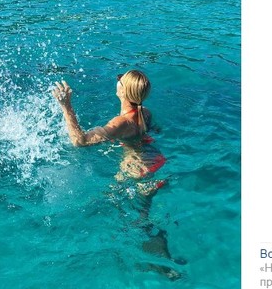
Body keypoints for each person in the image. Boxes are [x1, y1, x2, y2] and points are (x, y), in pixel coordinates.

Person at [52, 70, 183, 279]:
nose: (117, 79)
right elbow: (155, 131)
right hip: (155, 163)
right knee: (140, 217)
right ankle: (162, 257)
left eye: (120, 79)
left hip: (137, 172)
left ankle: (160, 262)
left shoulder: (121, 123)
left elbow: (80, 141)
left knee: (128, 218)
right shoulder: (145, 112)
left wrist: (66, 106)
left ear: (123, 90)